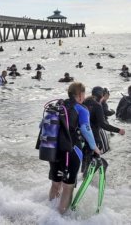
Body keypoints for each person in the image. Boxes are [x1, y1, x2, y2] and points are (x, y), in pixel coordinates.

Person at [48, 82, 100, 214]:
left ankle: (49, 214)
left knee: (55, 184)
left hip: (53, 150)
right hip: (71, 151)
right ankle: (61, 219)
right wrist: (94, 148)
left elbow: (42, 126)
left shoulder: (59, 106)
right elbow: (86, 129)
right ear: (80, 94)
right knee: (68, 187)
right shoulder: (81, 109)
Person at [82, 87, 125, 171]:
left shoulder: (85, 102)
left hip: (83, 135)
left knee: (85, 160)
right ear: (101, 95)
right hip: (94, 136)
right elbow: (103, 124)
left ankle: (82, 177)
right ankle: (89, 179)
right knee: (95, 160)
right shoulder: (97, 105)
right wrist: (118, 130)